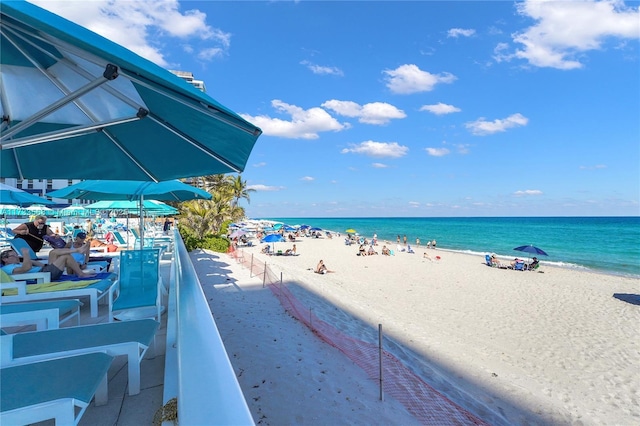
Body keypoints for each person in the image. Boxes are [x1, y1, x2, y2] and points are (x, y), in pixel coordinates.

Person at [1, 247, 96, 280]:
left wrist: (30, 260)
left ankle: (77, 250)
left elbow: (41, 265)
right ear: (5, 259)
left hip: (44, 270)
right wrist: (26, 255)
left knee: (53, 252)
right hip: (44, 274)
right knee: (65, 257)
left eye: (16, 255)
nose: (17, 257)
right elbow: (26, 268)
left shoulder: (16, 264)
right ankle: (81, 273)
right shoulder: (7, 268)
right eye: (14, 256)